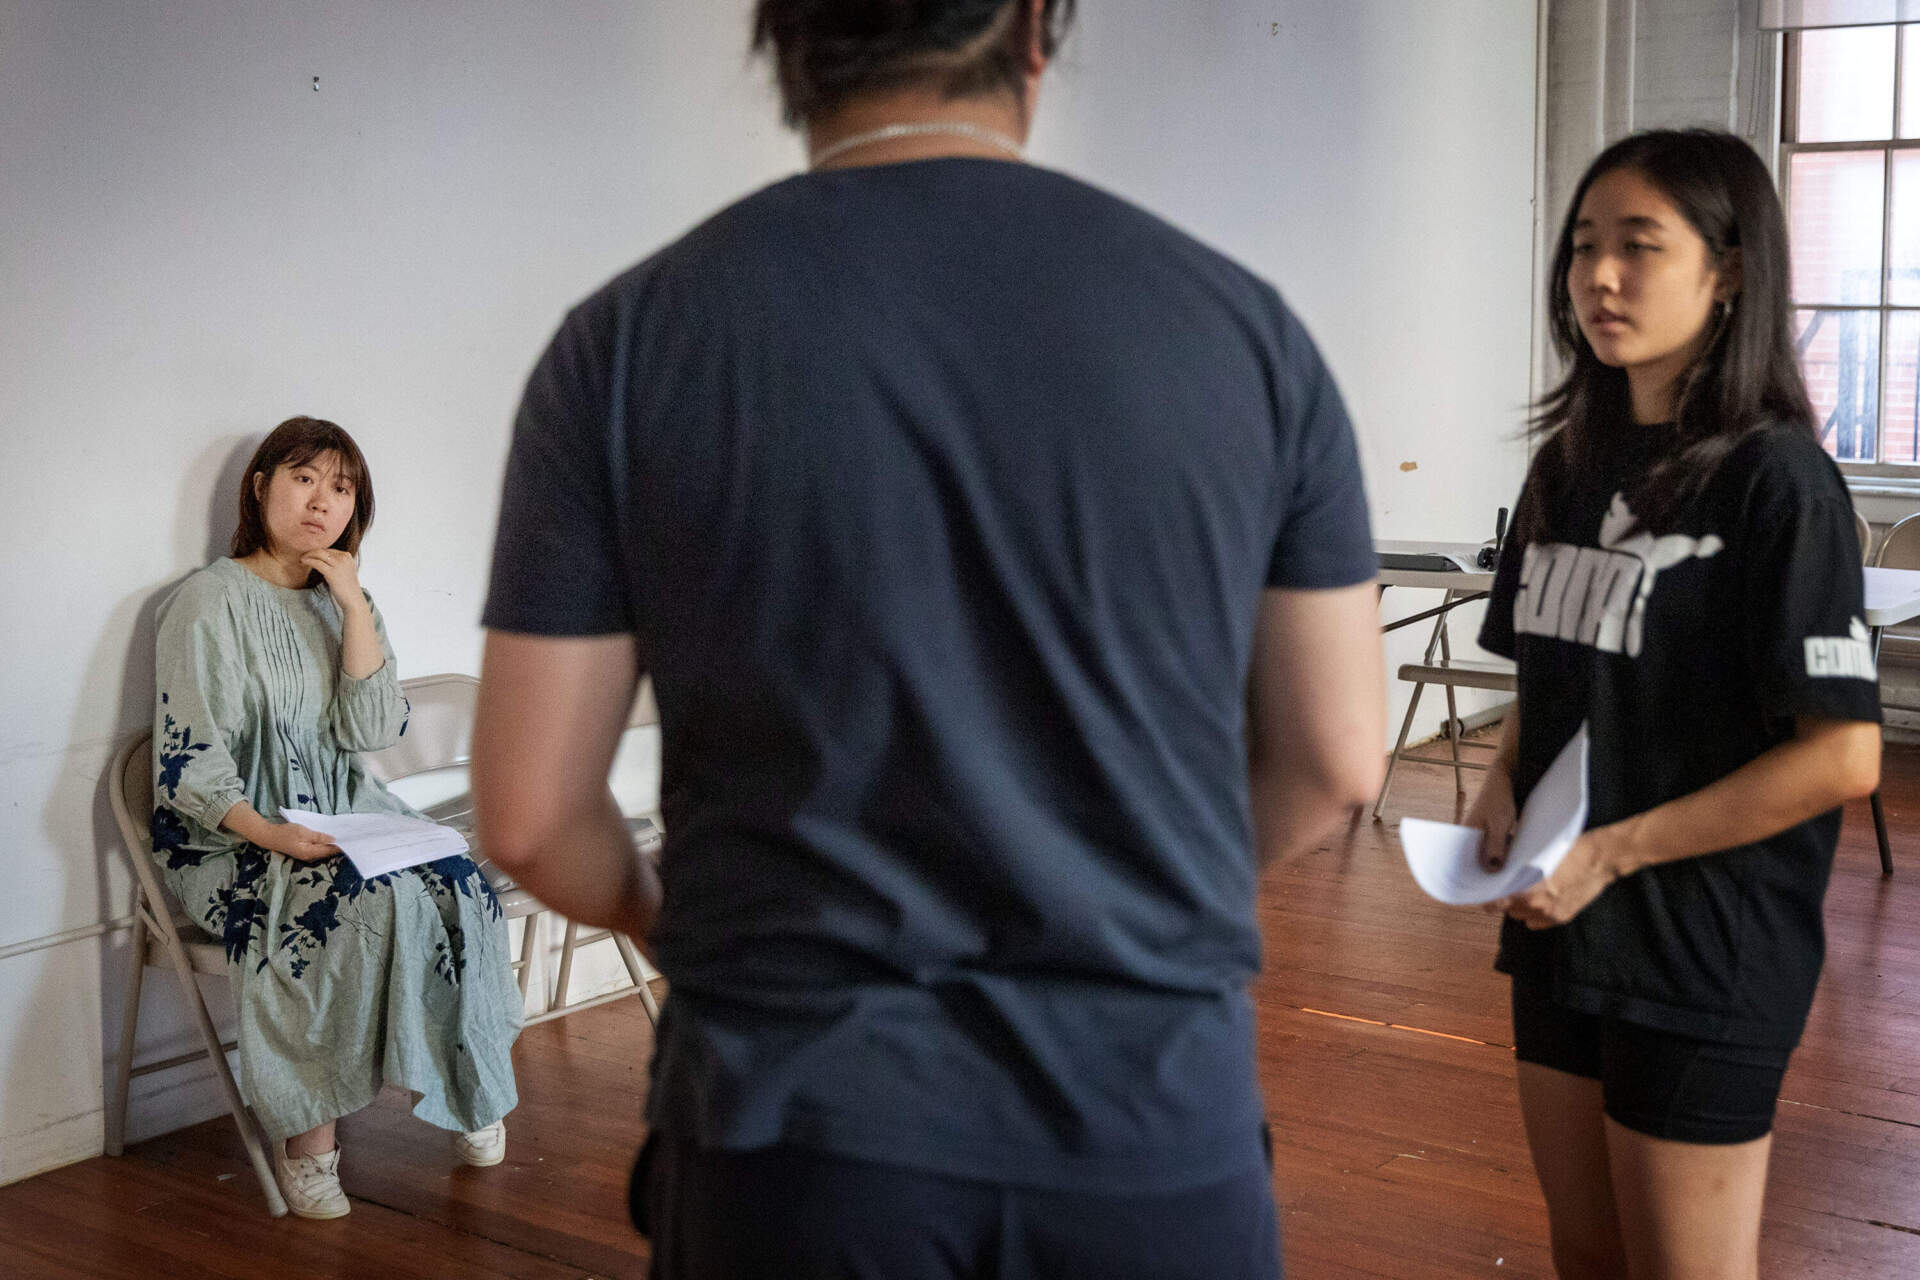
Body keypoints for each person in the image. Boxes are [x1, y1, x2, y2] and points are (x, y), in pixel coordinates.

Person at [473, 2, 1385, 1276]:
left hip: (797, 1136)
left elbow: (524, 814)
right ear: (1028, 32)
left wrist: (662, 913)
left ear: (784, 42)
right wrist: (1150, 901)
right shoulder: (1245, 330)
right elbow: (1340, 754)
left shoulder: (625, 343)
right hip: (1149, 1122)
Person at [1464, 129, 1883, 1280]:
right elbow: (1551, 675)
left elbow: (1843, 757)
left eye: (1639, 246)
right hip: (1561, 924)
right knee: (1586, 1252)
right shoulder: (1566, 462)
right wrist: (1503, 778)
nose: (1599, 276)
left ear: (1731, 270)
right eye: (1584, 247)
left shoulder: (1776, 479)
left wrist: (1614, 852)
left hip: (1704, 938)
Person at [151, 416, 522, 1220]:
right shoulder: (206, 603)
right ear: (261, 486)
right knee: (347, 908)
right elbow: (189, 764)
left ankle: (472, 1088)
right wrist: (272, 833)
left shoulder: (344, 600)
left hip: (348, 814)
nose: (323, 501)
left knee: (464, 884)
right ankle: (309, 1144)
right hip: (232, 836)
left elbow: (371, 731)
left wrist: (351, 605)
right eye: (305, 478)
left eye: (343, 488)